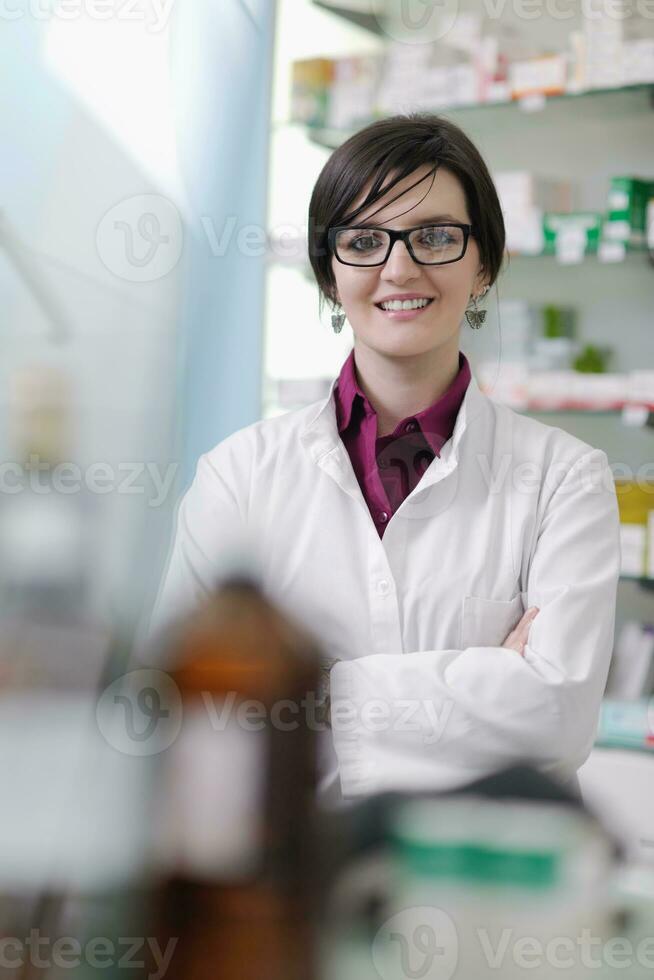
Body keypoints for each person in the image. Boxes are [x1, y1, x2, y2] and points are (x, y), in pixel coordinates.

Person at [149, 114, 620, 809]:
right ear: (329, 274)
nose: (399, 268)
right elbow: (182, 713)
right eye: (364, 241)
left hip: (483, 889)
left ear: (483, 262)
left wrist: (295, 691)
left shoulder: (565, 479)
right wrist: (487, 679)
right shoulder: (239, 478)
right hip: (297, 886)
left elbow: (556, 720)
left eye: (435, 236)